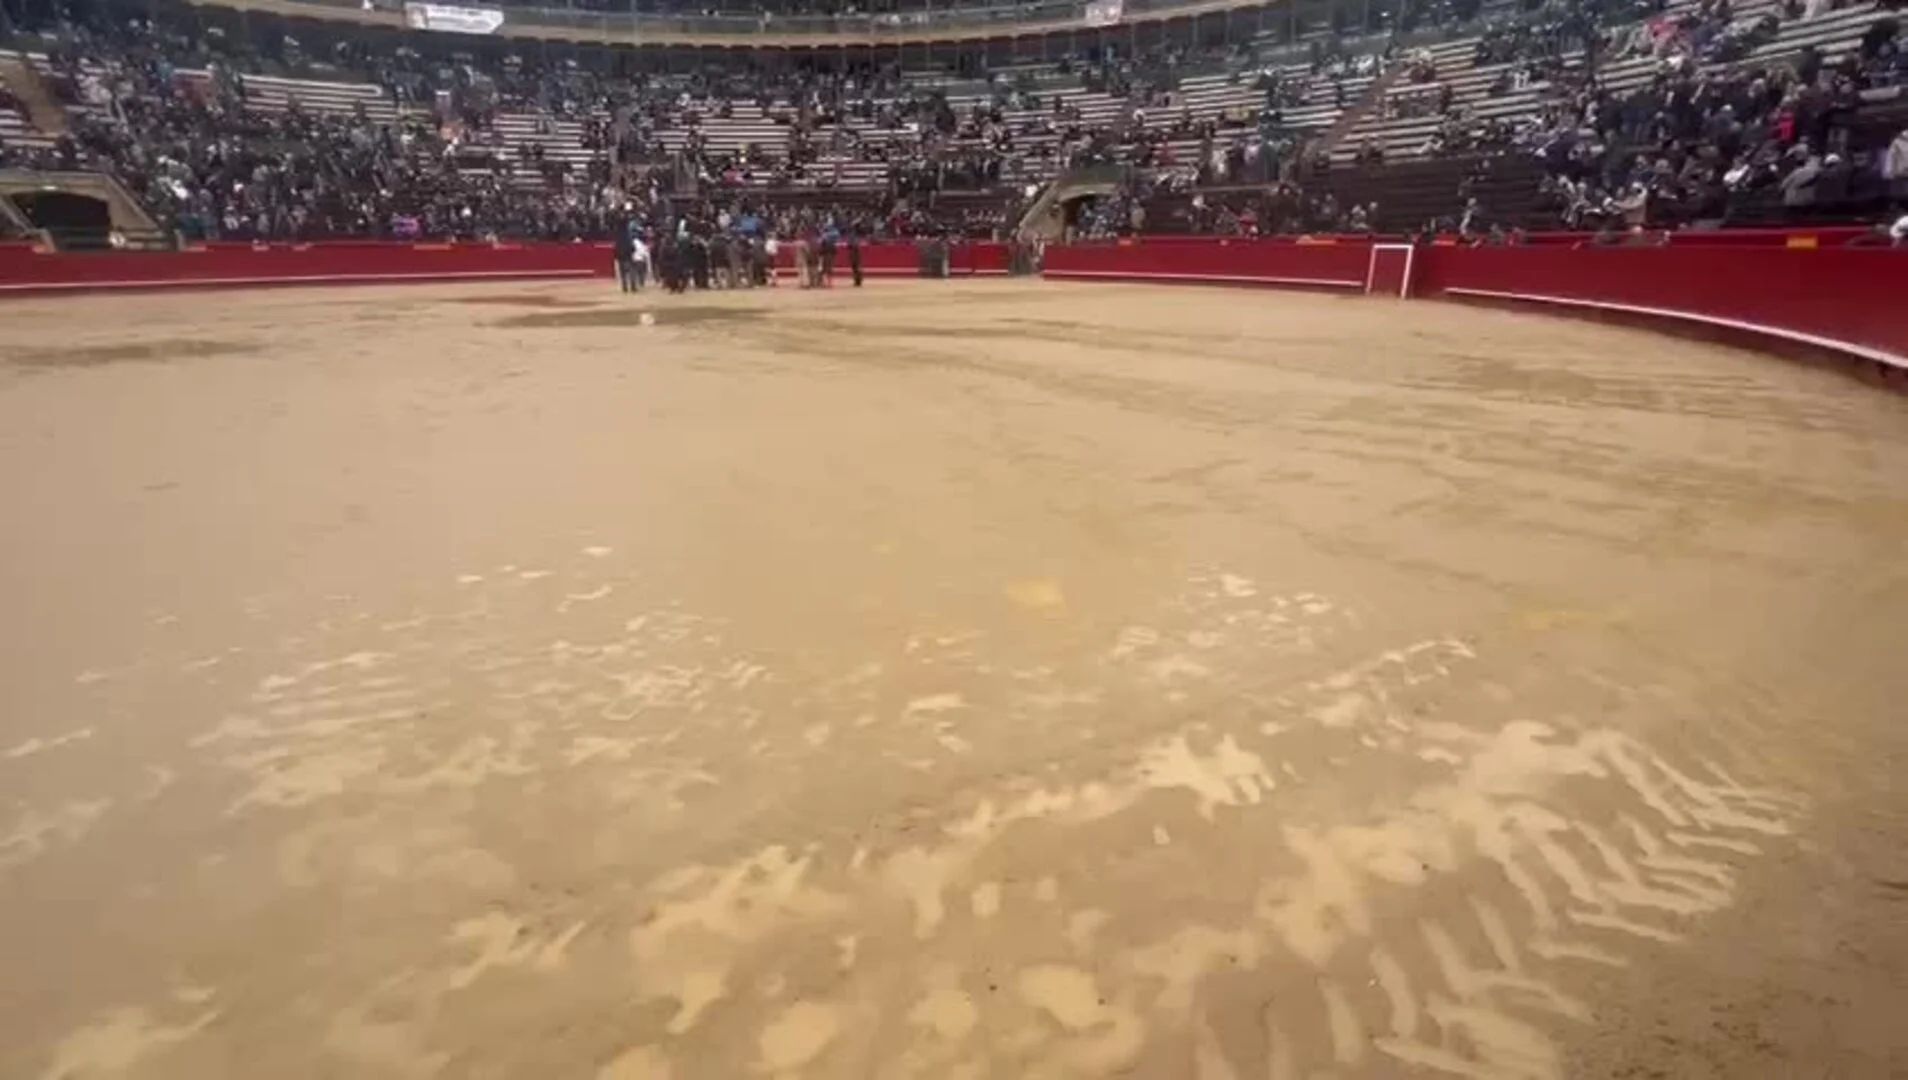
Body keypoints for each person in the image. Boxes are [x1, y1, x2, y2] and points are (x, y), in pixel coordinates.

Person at [613, 221, 635, 293]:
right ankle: (632, 286)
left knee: (623, 273)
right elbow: (632, 247)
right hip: (628, 255)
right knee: (631, 271)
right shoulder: (628, 235)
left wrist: (616, 255)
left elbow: (615, 247)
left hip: (621, 256)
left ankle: (625, 287)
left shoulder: (617, 236)